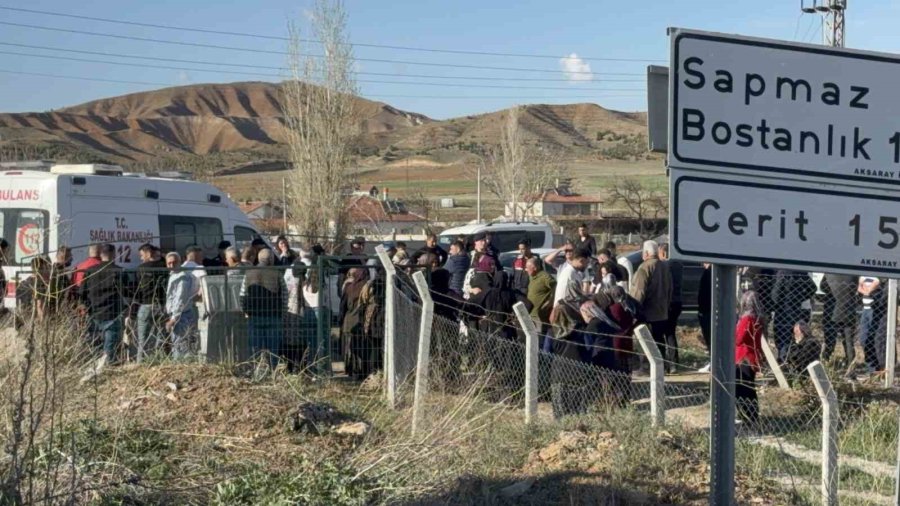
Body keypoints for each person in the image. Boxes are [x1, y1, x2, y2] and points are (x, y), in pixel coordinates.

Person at [630, 240, 673, 371]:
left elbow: (638, 292)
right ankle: (662, 368)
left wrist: (633, 310)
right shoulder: (665, 267)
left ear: (647, 253)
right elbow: (670, 289)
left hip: (648, 313)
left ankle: (648, 368)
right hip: (662, 312)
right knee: (659, 341)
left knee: (647, 343)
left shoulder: (644, 268)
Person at [240, 248, 285, 368]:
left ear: (258, 259)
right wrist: (283, 311)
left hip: (254, 315)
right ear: (271, 259)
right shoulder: (277, 273)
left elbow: (242, 294)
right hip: (273, 314)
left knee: (255, 348)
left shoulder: (249, 273)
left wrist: (245, 311)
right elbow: (285, 294)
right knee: (273, 348)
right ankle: (273, 371)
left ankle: (255, 372)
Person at [79, 244, 125, 363]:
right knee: (110, 346)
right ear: (114, 254)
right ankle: (108, 366)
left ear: (100, 255)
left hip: (93, 312)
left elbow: (82, 291)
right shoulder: (119, 271)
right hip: (112, 312)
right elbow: (126, 291)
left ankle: (95, 366)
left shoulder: (90, 271)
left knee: (95, 344)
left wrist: (85, 305)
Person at [132, 243, 168, 362]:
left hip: (146, 305)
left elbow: (136, 290)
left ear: (148, 253)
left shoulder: (141, 269)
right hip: (162, 305)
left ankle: (141, 362)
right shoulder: (164, 267)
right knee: (160, 336)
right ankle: (159, 360)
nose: (141, 258)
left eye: (142, 255)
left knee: (142, 338)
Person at [771, 269, 816, 363]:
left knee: (781, 337)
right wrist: (800, 297)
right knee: (793, 337)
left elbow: (776, 295)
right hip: (796, 309)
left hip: (782, 309)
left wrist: (775, 303)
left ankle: (782, 360)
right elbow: (813, 288)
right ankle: (790, 359)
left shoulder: (782, 272)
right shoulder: (801, 272)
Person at [735, 291, 764, 426]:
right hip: (753, 356)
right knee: (749, 388)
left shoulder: (746, 319)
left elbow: (738, 339)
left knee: (743, 388)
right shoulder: (758, 318)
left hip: (743, 357)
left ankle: (748, 416)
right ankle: (752, 415)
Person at [340, 268, 372, 380]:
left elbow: (343, 305)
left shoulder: (349, 287)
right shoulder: (367, 287)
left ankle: (351, 370)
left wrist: (341, 319)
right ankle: (362, 371)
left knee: (350, 347)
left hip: (349, 321)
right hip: (361, 320)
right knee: (362, 346)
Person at [164, 252, 197, 360]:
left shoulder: (181, 277)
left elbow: (180, 300)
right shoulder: (176, 274)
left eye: (174, 262)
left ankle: (179, 365)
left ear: (180, 262)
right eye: (169, 263)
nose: (171, 266)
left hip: (181, 315)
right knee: (182, 343)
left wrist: (174, 318)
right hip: (182, 314)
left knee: (180, 345)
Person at [821, 273, 857, 364]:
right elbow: (857, 288)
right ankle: (850, 364)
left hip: (831, 309)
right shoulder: (853, 274)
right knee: (848, 341)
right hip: (848, 308)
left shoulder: (829, 273)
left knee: (830, 339)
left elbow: (823, 287)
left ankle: (826, 360)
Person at [659, 243, 683, 371]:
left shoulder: (665, 266)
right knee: (671, 333)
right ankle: (674, 363)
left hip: (667, 302)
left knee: (665, 333)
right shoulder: (678, 264)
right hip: (678, 301)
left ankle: (668, 364)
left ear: (663, 253)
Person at [857, 276, 887, 373]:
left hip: (878, 309)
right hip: (865, 309)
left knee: (876, 339)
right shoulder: (863, 274)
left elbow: (878, 283)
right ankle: (871, 367)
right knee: (863, 339)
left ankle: (880, 367)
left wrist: (869, 289)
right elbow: (859, 287)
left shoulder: (880, 274)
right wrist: (866, 290)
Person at [526, 257, 555, 339]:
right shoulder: (532, 276)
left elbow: (556, 286)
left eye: (528, 268)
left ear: (535, 268)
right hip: (531, 313)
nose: (526, 270)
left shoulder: (544, 277)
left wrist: (550, 301)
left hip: (540, 316)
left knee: (540, 338)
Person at [697, 263, 712, 373]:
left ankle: (713, 361)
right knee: (708, 337)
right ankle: (712, 361)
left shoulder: (710, 272)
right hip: (706, 309)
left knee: (710, 337)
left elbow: (706, 293)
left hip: (707, 310)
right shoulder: (709, 272)